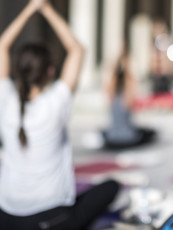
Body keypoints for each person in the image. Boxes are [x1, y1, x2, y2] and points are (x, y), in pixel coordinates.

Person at [0, 1, 119, 229]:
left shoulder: (5, 101)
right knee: (111, 186)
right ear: (50, 72)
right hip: (52, 218)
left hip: (6, 217)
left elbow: (2, 46)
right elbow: (77, 49)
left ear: (17, 70)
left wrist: (28, 10)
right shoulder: (56, 102)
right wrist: (45, 8)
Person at [103, 47, 156, 150]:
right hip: (127, 138)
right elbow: (131, 80)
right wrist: (126, 62)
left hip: (111, 137)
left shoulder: (111, 96)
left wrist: (118, 60)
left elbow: (112, 78)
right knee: (149, 132)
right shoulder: (126, 97)